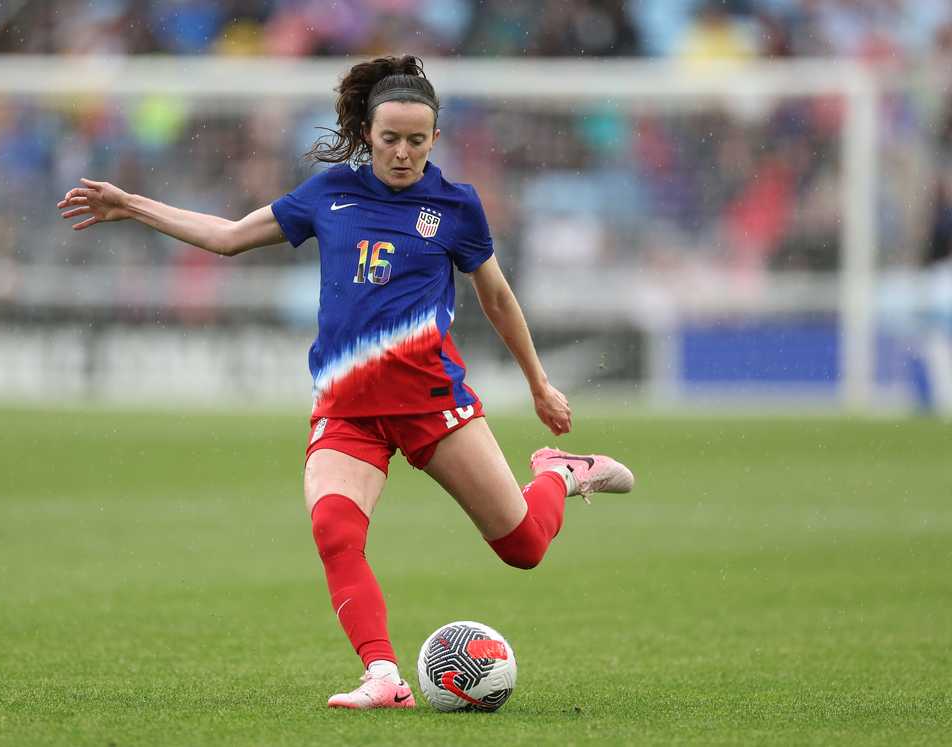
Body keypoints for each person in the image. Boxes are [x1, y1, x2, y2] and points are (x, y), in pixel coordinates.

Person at [57, 55, 634, 710]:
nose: (402, 152)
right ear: (367, 132)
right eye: (390, 138)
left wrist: (539, 382)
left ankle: (558, 471)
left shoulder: (455, 206)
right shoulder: (328, 194)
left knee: (525, 547)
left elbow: (498, 298)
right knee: (335, 527)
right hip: (348, 410)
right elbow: (227, 236)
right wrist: (129, 204)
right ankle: (383, 675)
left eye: (417, 140)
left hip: (432, 406)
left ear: (435, 139)